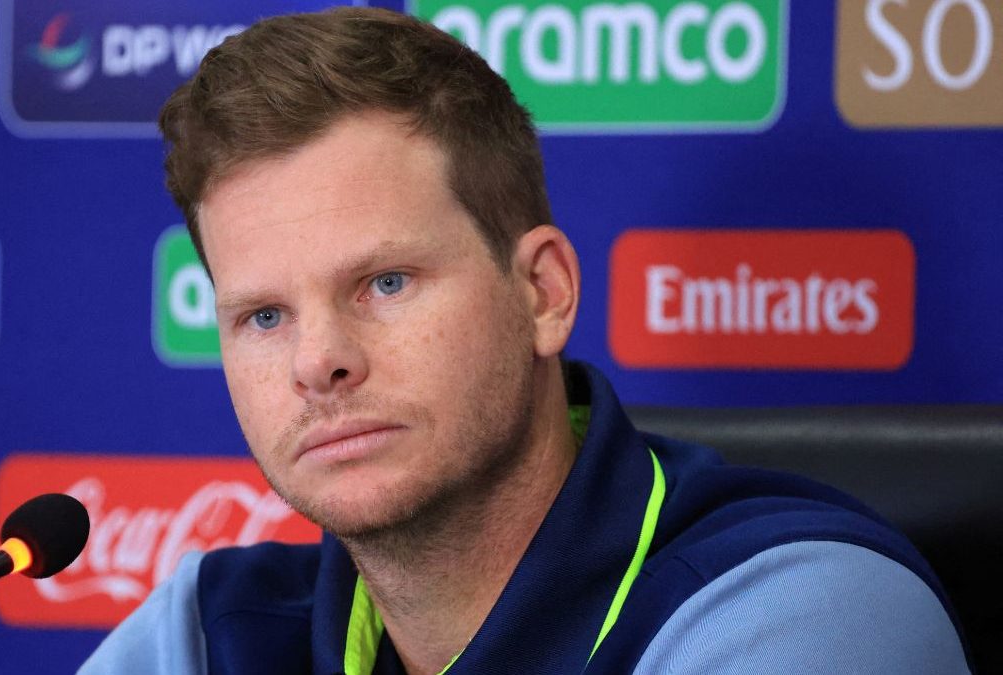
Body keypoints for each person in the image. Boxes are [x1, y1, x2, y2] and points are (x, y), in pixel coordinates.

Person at [81, 7, 969, 674]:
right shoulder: (202, 638)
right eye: (264, 316)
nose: (319, 361)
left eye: (385, 283)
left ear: (543, 292)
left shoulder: (803, 614)